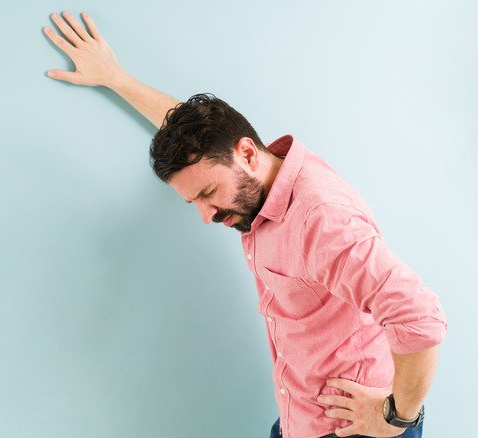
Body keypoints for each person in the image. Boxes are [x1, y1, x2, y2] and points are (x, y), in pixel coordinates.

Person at [42, 11, 447, 438]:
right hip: (300, 412)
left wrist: (398, 418)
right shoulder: (253, 175)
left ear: (248, 155)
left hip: (348, 428)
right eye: (193, 200)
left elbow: (418, 317)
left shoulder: (321, 219)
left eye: (206, 194)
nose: (206, 215)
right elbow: (201, 139)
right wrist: (116, 78)